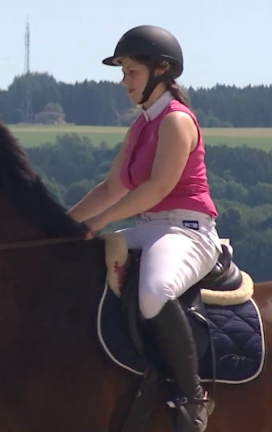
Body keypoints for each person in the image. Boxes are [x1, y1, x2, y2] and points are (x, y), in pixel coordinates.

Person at [67, 25, 219, 432]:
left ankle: (192, 397)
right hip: (149, 228)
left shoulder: (176, 121)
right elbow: (112, 187)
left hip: (187, 232)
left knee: (154, 293)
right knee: (75, 259)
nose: (124, 82)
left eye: (131, 72)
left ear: (161, 71)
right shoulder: (140, 126)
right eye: (124, 73)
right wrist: (65, 225)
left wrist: (99, 222)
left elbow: (157, 188)